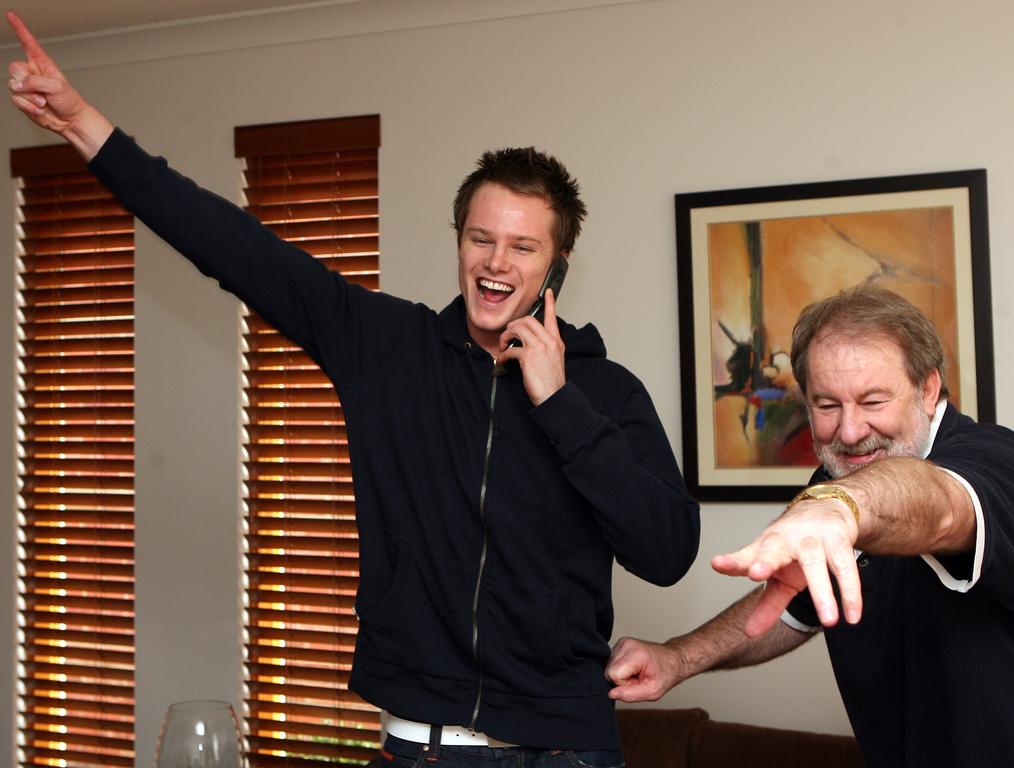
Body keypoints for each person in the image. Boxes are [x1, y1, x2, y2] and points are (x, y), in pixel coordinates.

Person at [6, 10, 700, 767]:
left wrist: (560, 405)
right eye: (480, 237)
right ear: (460, 240)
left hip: (567, 750)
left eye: (523, 246)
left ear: (556, 264)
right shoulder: (388, 348)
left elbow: (666, 551)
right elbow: (232, 246)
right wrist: (84, 127)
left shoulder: (607, 395)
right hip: (423, 747)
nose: (496, 262)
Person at [606, 282, 1014, 766]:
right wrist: (678, 658)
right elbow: (791, 609)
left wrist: (841, 505)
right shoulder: (836, 477)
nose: (849, 431)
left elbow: (940, 505)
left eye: (873, 402)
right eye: (827, 405)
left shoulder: (994, 461)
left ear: (928, 389)